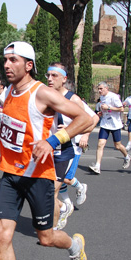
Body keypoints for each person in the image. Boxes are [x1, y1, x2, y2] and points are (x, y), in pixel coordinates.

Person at [0, 42, 91, 260]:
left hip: (38, 178)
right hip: (11, 176)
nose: (7, 65)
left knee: (46, 238)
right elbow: (12, 122)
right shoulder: (8, 91)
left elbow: (85, 119)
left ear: (28, 65)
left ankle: (75, 246)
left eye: (13, 60)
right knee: (2, 235)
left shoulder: (42, 92)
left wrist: (54, 139)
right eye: (5, 59)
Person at [45, 63, 97, 231]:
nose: (50, 79)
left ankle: (51, 231)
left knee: (52, 190)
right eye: (48, 75)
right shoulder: (46, 95)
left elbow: (91, 120)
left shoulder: (73, 99)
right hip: (47, 149)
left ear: (64, 79)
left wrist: (71, 133)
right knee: (42, 190)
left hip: (67, 150)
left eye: (54, 76)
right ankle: (64, 206)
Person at [88, 82, 130, 174]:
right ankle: (97, 166)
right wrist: (101, 113)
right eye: (98, 89)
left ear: (106, 88)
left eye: (101, 89)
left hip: (115, 124)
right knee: (100, 144)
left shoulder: (114, 97)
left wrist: (109, 107)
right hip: (105, 123)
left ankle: (126, 156)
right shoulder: (102, 98)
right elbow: (104, 109)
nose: (99, 91)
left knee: (118, 145)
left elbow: (121, 109)